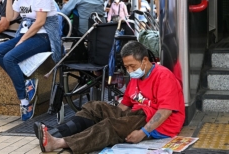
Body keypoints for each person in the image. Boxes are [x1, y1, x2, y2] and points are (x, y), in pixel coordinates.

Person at [35, 41, 185, 153]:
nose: (129, 70)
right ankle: (56, 132)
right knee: (95, 107)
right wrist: (110, 114)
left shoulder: (163, 76)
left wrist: (143, 132)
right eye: (126, 67)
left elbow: (165, 111)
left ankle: (58, 143)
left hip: (156, 123)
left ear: (145, 60)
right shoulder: (136, 77)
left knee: (110, 126)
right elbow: (124, 104)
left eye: (132, 66)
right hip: (137, 114)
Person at [0, 0, 61, 121]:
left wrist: (21, 41)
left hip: (44, 36)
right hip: (26, 34)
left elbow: (40, 22)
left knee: (10, 57)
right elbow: (10, 17)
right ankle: (26, 84)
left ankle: (24, 101)